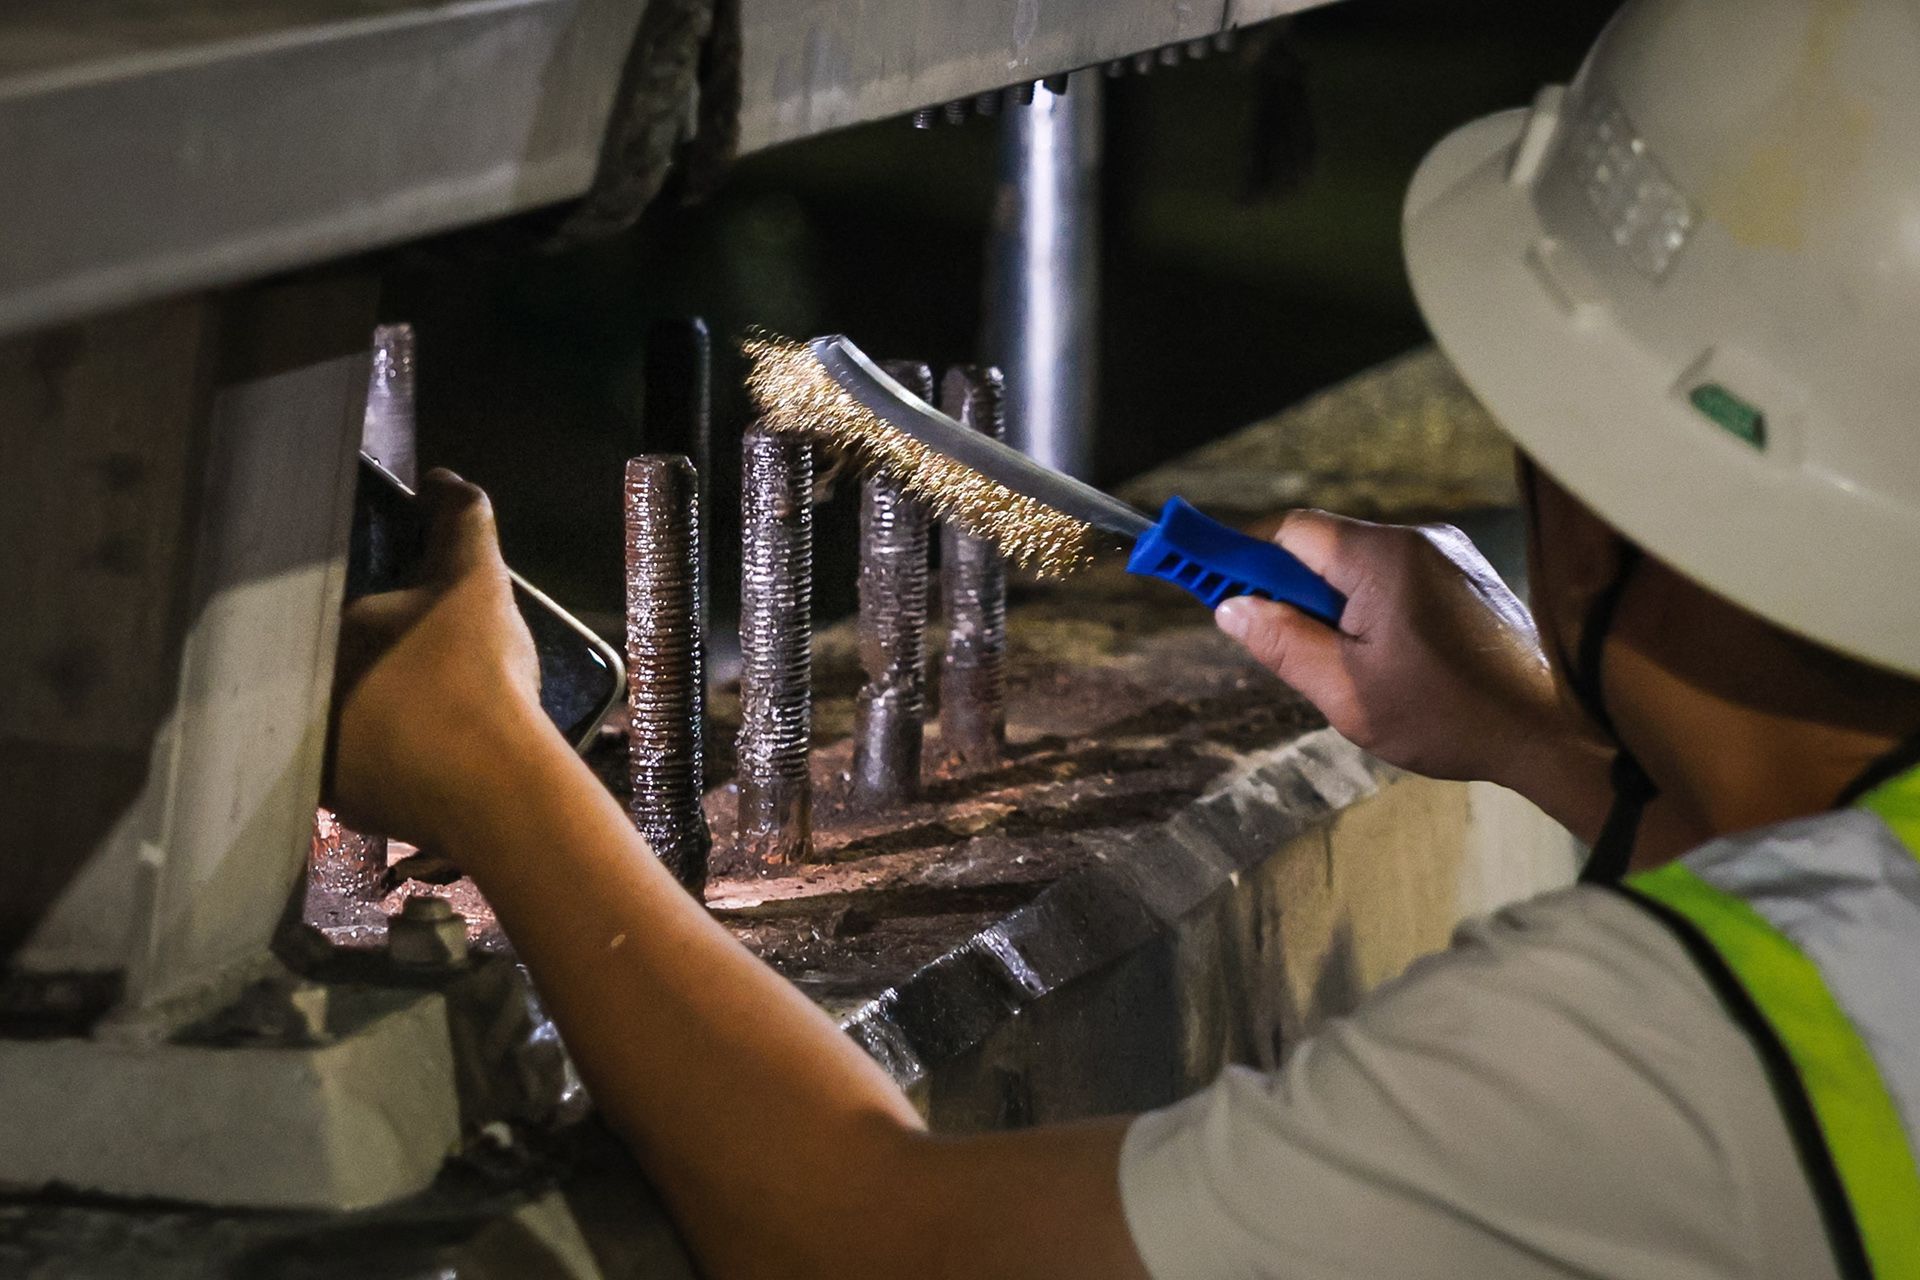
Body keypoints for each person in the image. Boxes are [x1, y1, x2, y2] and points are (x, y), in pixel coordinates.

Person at [327, 1, 1920, 1275]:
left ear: (1596, 486)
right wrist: (1529, 735)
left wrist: (495, 767)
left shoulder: (1642, 1067)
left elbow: (866, 1241)